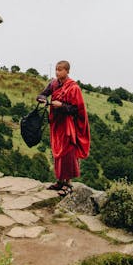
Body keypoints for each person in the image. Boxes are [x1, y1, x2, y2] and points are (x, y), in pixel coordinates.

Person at [37, 60, 90, 197]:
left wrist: (61, 105)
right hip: (56, 124)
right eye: (56, 69)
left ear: (67, 71)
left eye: (60, 70)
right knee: (57, 152)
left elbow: (76, 109)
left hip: (68, 125)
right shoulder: (54, 84)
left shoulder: (74, 88)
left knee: (68, 153)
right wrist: (42, 99)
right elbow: (42, 94)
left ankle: (68, 183)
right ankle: (60, 181)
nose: (57, 72)